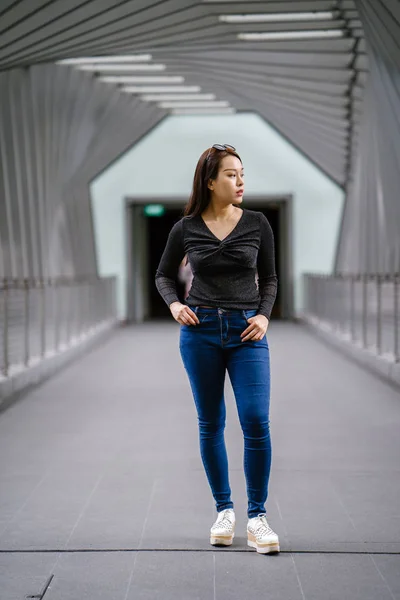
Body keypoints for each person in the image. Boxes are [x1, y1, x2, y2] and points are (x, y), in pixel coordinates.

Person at [155, 144, 279, 555]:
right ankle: (224, 511)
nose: (240, 181)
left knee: (256, 419)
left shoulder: (258, 223)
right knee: (211, 422)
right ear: (210, 182)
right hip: (201, 331)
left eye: (242, 174)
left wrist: (263, 315)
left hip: (248, 333)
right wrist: (175, 305)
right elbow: (163, 276)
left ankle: (257, 517)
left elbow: (271, 278)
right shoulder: (186, 228)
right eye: (230, 174)